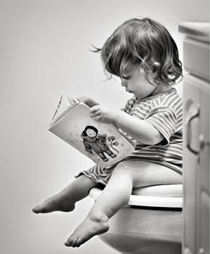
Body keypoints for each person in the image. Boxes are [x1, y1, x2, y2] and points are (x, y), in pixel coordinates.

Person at [32, 17, 183, 248]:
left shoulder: (168, 103)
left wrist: (117, 116)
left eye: (126, 77)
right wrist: (92, 109)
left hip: (171, 166)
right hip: (147, 160)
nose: (123, 85)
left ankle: (98, 217)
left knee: (124, 169)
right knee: (99, 169)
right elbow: (120, 130)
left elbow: (152, 135)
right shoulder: (139, 101)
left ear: (152, 67)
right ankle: (66, 198)